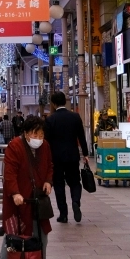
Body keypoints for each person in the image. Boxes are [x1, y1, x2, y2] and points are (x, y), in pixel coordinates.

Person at [0, 115, 54, 259]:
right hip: (19, 197)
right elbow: (9, 173)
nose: (38, 139)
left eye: (41, 135)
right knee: (13, 234)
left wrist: (48, 181)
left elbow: (50, 165)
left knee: (41, 233)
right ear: (25, 133)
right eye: (34, 135)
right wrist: (15, 192)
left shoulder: (45, 146)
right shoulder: (14, 146)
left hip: (38, 198)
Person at [44, 91, 90, 223]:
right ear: (65, 101)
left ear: (53, 103)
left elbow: (47, 141)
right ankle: (75, 201)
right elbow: (81, 137)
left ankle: (63, 214)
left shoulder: (50, 120)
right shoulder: (75, 117)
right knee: (75, 182)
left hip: (56, 158)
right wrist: (85, 154)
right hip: (72, 156)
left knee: (58, 185)